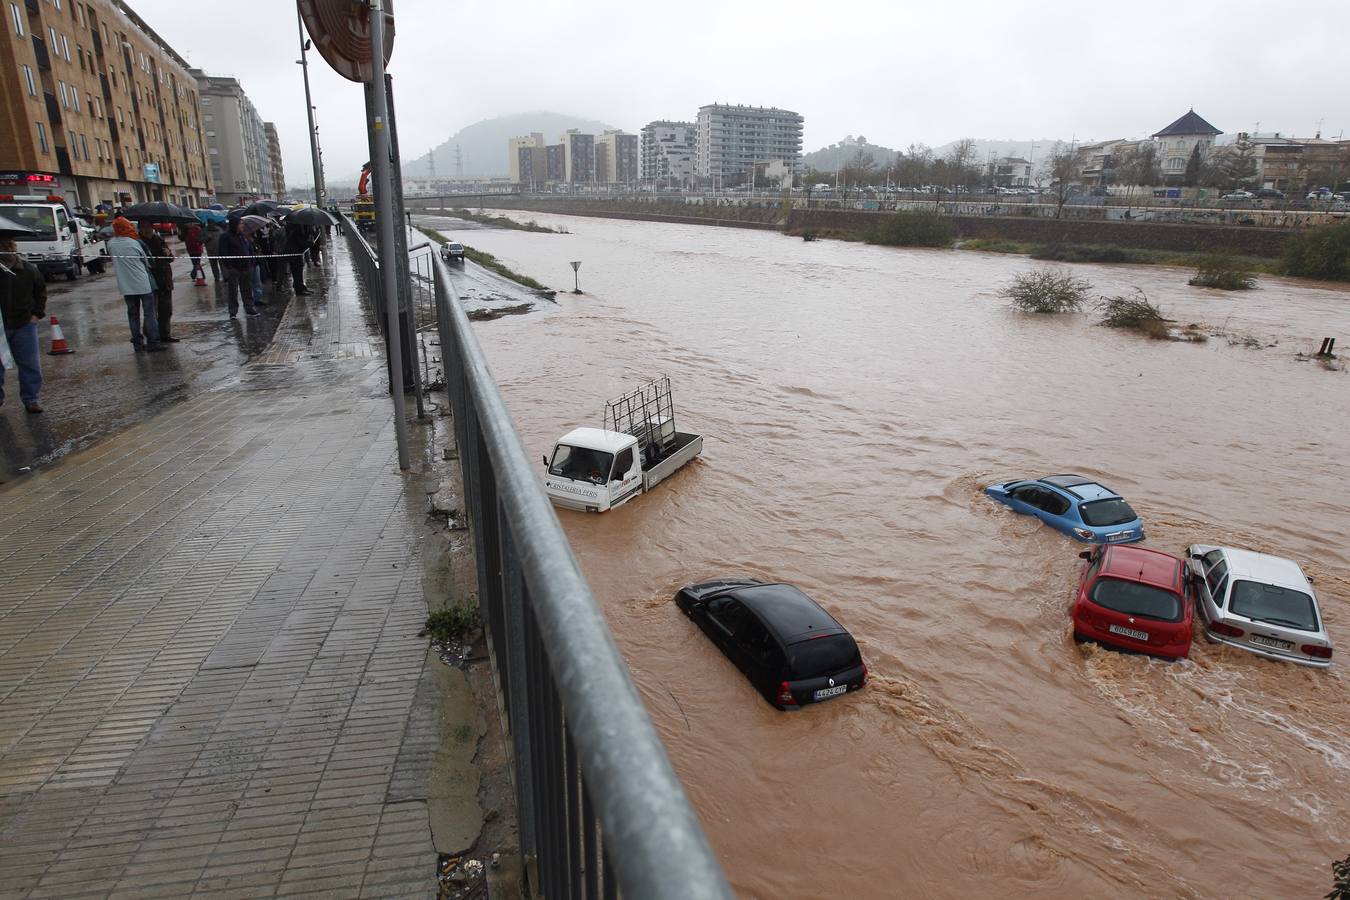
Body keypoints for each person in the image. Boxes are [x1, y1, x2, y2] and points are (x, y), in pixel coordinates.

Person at [0, 237, 47, 413]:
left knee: (30, 364)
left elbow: (40, 292)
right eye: (4, 246)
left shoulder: (28, 269)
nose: (9, 249)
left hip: (24, 324)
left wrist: (36, 314)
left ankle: (31, 399)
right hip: (1, 326)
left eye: (10, 245)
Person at [107, 217, 163, 351]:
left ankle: (137, 344)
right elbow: (149, 262)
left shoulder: (111, 244)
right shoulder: (136, 243)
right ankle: (153, 342)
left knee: (133, 315)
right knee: (149, 314)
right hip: (143, 284)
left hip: (126, 286)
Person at [139, 221, 178, 343]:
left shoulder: (159, 239)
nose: (147, 229)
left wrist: (168, 254)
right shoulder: (139, 243)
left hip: (165, 279)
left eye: (149, 226)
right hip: (150, 281)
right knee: (152, 311)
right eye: (144, 227)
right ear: (140, 229)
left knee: (166, 310)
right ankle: (152, 336)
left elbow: (170, 257)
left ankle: (165, 334)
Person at [217, 219, 258, 318]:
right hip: (234, 269)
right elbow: (222, 253)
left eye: (242, 223)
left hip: (246, 267)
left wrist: (252, 263)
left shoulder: (244, 236)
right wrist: (229, 267)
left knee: (247, 289)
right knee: (233, 291)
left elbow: (250, 249)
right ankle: (233, 311)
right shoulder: (226, 237)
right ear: (235, 225)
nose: (242, 226)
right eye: (240, 223)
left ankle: (249, 309)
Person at [284, 223, 311, 294]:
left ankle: (301, 287)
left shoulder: (298, 228)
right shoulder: (296, 229)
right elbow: (301, 243)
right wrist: (309, 243)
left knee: (299, 271)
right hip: (294, 253)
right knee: (297, 272)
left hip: (296, 253)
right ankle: (299, 289)